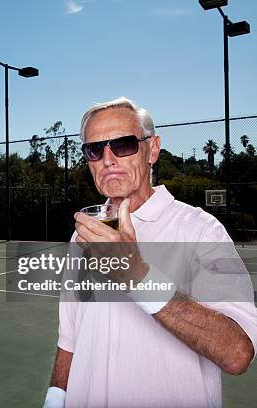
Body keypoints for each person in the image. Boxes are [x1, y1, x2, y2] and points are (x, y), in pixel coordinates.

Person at [43, 97, 257, 407]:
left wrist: (138, 276)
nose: (107, 159)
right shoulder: (83, 236)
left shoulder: (200, 230)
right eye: (94, 149)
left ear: (152, 150)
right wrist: (54, 399)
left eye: (124, 144)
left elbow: (238, 353)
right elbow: (69, 340)